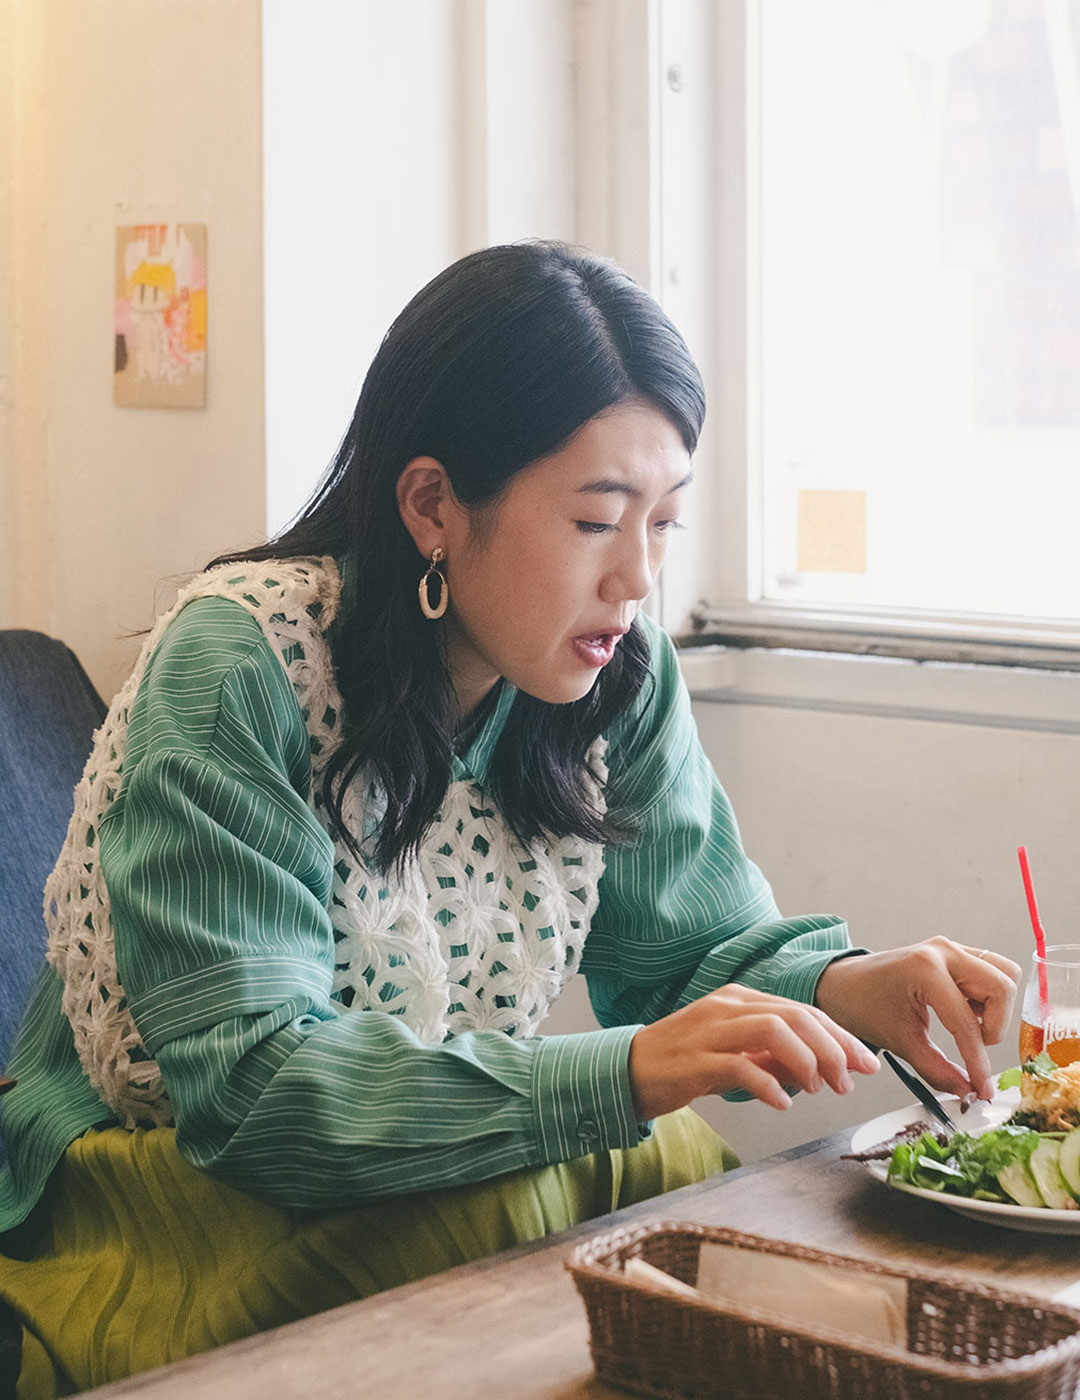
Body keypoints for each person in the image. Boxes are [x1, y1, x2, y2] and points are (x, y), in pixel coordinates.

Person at [0, 241, 1019, 1396]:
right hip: (160, 1191)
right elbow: (256, 1095)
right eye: (597, 520)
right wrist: (625, 1070)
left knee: (679, 1179)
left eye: (665, 522)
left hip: (416, 1165)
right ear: (433, 502)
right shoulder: (239, 664)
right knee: (614, 1180)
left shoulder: (612, 666)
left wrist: (850, 987)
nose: (637, 578)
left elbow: (689, 953)